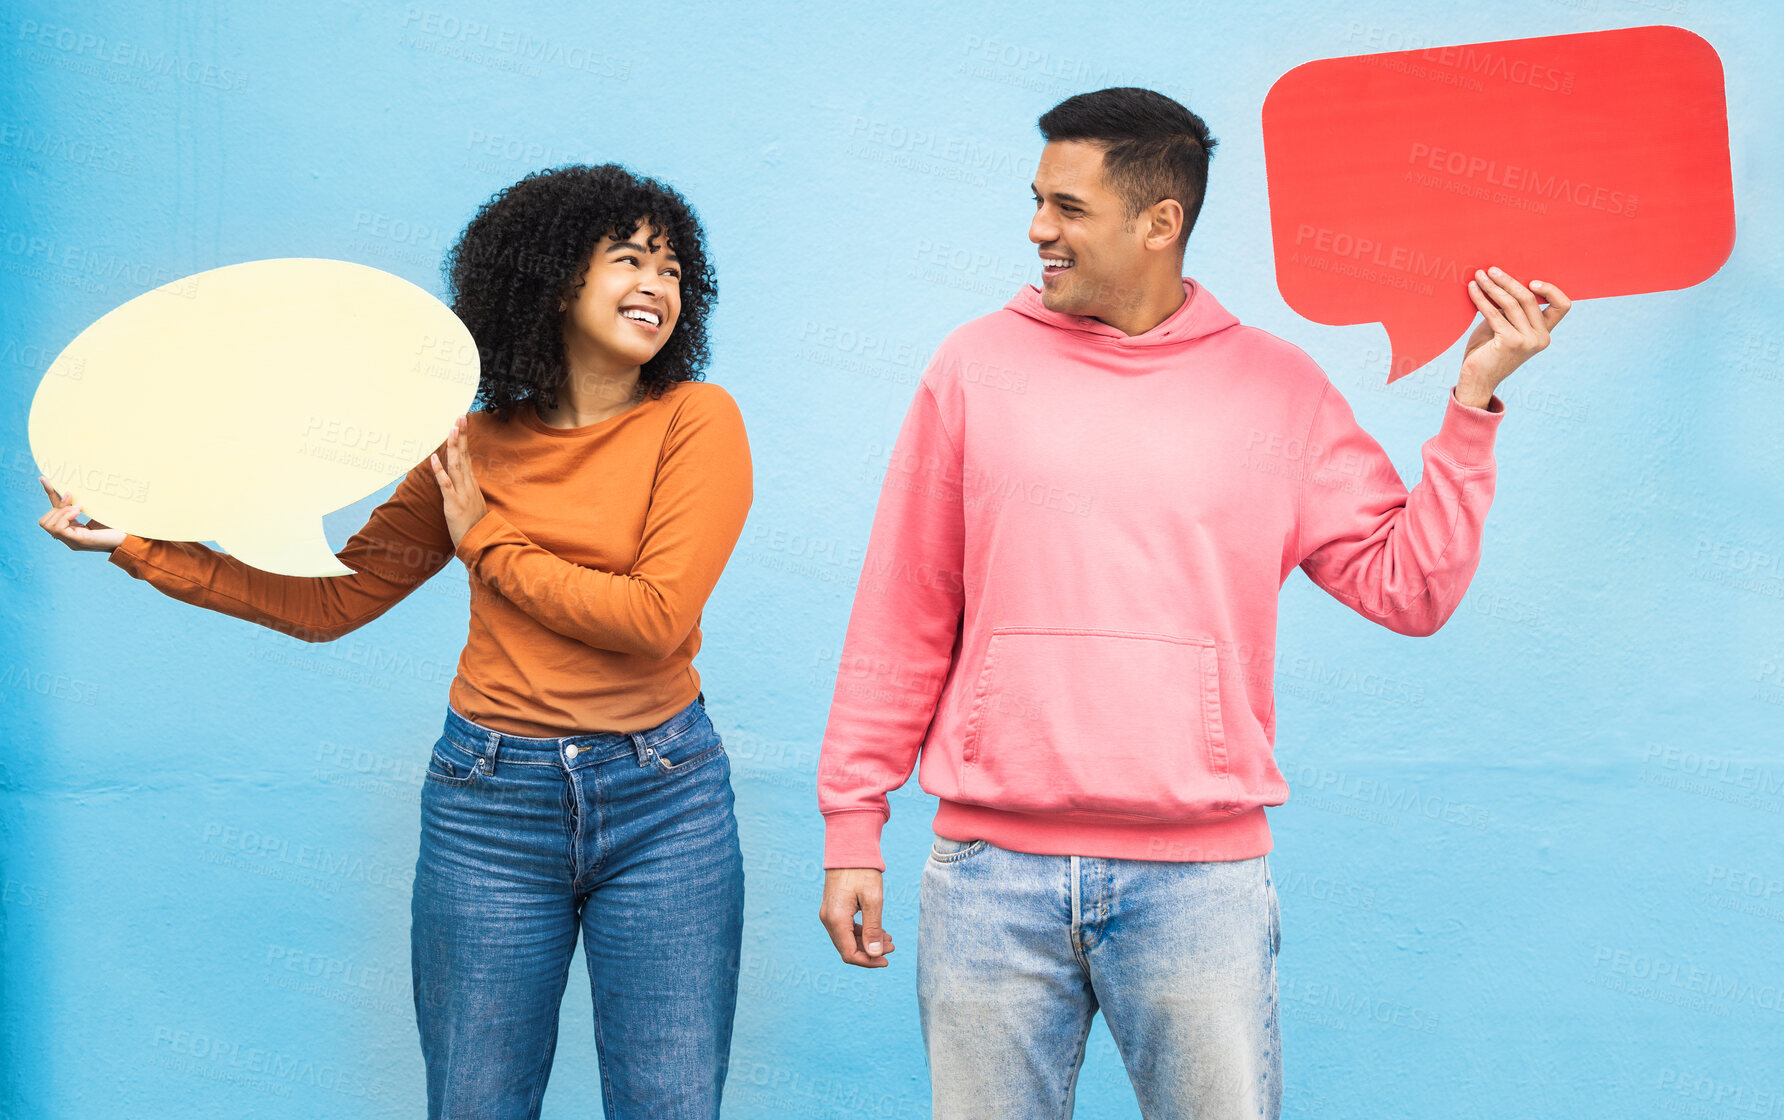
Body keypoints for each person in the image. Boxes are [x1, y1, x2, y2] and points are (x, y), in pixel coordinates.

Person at [814, 87, 1570, 1119]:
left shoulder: (1275, 389)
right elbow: (901, 609)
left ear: (1158, 221)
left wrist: (1473, 398)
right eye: (1036, 200)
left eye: (1067, 208)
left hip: (1198, 888)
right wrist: (853, 824)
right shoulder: (973, 367)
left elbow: (1410, 588)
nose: (1038, 228)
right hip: (989, 877)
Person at [38, 164, 753, 1120]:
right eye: (628, 260)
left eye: (671, 269)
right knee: (475, 1101)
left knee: (670, 1104)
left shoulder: (696, 421)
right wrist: (138, 547)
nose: (656, 288)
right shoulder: (468, 446)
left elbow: (651, 617)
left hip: (665, 797)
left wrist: (486, 541)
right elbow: (334, 600)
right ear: (549, 279)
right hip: (488, 802)